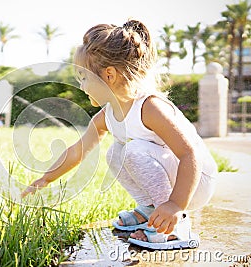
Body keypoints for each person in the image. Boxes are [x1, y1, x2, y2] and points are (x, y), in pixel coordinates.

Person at [21, 20, 217, 249]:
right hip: (175, 179)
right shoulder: (108, 115)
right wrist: (45, 179)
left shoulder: (150, 107)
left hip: (194, 182)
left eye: (83, 78)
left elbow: (189, 154)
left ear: (109, 75)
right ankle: (150, 210)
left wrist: (175, 205)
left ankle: (175, 227)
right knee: (115, 152)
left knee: (132, 151)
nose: (81, 87)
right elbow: (78, 150)